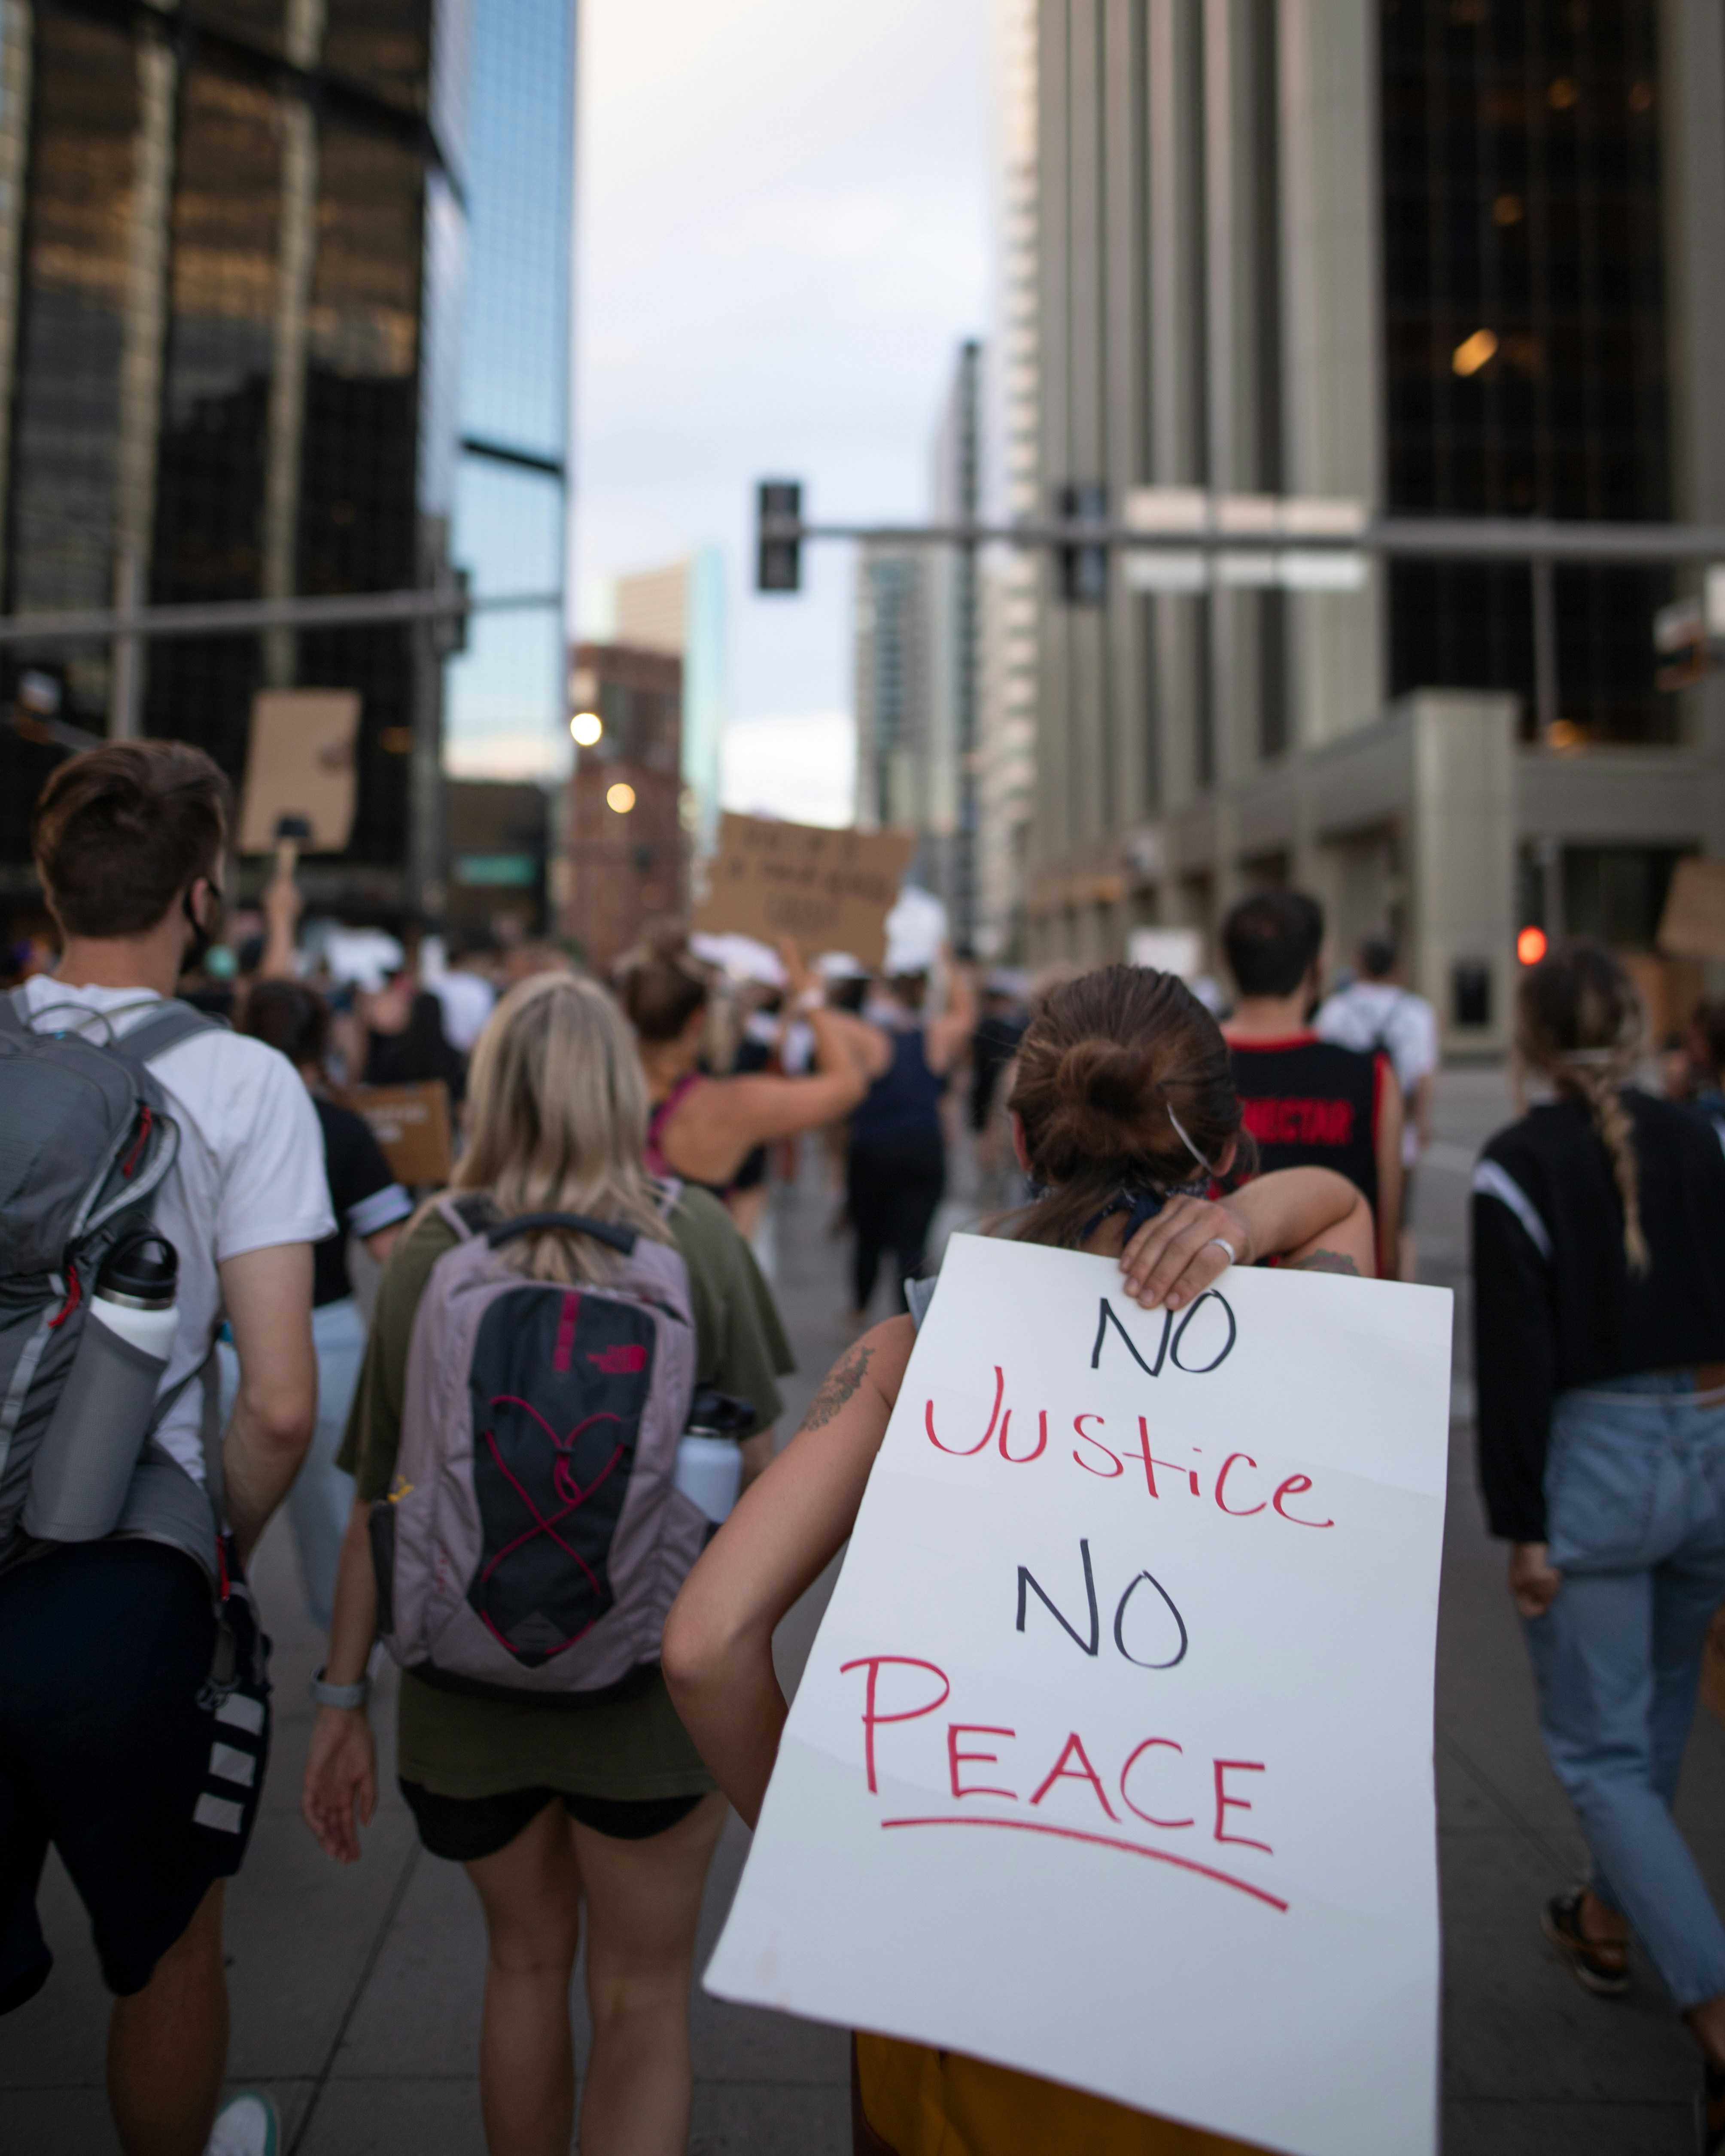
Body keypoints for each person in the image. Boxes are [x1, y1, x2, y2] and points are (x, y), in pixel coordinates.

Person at [662, 964, 1375, 2156]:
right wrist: (1247, 1222)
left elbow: (703, 1644)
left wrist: (832, 1850)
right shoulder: (1311, 1317)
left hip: (961, 1993)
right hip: (1238, 1987)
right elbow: (1345, 1203)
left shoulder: (910, 1350)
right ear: (1227, 1135)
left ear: (1017, 1134)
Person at [301, 971, 795, 2156]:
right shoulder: (697, 1233)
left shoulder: (431, 1248)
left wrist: (340, 1697)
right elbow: (776, 1478)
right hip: (650, 1700)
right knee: (641, 1998)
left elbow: (382, 1482)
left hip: (467, 1698)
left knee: (521, 1969)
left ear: (494, 1091)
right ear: (622, 1087)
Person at [0, 741, 329, 2156]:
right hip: (124, 1568)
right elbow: (277, 1404)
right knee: (169, 1941)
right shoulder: (250, 1083)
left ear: (51, 881)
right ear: (202, 894)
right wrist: (215, 1551)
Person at [1472, 939, 1725, 2152]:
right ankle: (1609, 1920)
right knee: (1659, 1717)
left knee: (1603, 1751)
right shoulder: (1701, 1138)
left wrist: (1522, 1524)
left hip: (1598, 1462)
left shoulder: (1516, 1164)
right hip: (1711, 1441)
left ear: (1528, 1041)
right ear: (1637, 1026)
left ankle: (1721, 2025)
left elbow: (1515, 1368)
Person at [236, 980, 411, 1626]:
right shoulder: (342, 1126)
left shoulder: (222, 1121)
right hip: (328, 1335)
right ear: (322, 1041)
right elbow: (391, 1248)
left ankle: (206, 1655)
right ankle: (342, 1679)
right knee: (340, 1522)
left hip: (228, 1339)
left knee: (211, 1527)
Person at [616, 928, 871, 1223]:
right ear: (699, 1019)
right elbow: (848, 1086)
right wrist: (808, 995)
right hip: (693, 1267)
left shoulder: (601, 1091)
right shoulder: (729, 1105)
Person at [1220, 889, 1402, 1280]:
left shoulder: (1185, 1070)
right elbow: (1385, 1231)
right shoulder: (1371, 1076)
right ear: (1316, 969)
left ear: (1228, 964)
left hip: (1203, 1307)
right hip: (1328, 1311)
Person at [846, 956, 978, 1320]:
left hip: (872, 1150)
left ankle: (858, 1310)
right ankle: (910, 1325)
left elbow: (822, 1019)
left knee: (868, 1239)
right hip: (922, 1148)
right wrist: (950, 964)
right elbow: (967, 1015)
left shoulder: (869, 1037)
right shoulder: (933, 1036)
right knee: (912, 1246)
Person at [1316, 932, 1439, 1274]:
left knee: (1343, 1218)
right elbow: (1424, 1077)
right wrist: (1421, 1124)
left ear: (1358, 965)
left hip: (1347, 1131)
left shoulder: (1337, 1009)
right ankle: (1399, 1285)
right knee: (1398, 1223)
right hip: (1403, 1133)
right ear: (1396, 968)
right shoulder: (1416, 1011)